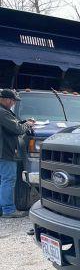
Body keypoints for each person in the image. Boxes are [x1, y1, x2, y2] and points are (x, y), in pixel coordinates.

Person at [0, 89, 34, 218]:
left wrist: (23, 122)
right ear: (7, 99)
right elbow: (17, 129)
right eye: (13, 100)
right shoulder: (2, 112)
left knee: (3, 181)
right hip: (5, 152)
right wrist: (28, 125)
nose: (13, 103)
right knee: (8, 180)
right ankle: (9, 210)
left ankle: (3, 209)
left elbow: (12, 125)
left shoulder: (3, 112)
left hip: (2, 152)